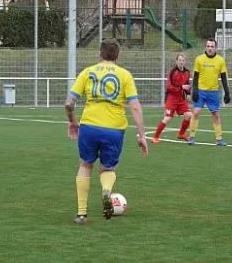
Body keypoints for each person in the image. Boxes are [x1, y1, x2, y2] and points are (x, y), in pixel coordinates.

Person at [65, 38, 148, 225]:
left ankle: (81, 214)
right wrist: (141, 136)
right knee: (108, 168)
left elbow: (69, 102)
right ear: (118, 56)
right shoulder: (125, 75)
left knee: (85, 165)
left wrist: (72, 121)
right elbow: (135, 106)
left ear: (99, 54)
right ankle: (106, 191)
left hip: (89, 126)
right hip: (114, 128)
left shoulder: (88, 72)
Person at [188, 38, 230, 146]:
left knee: (215, 114)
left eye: (212, 46)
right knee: (196, 112)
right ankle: (191, 137)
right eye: (208, 46)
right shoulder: (199, 59)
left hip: (213, 92)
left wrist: (227, 92)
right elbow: (196, 77)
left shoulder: (220, 60)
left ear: (215, 48)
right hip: (201, 91)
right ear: (205, 47)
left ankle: (219, 139)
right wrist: (195, 91)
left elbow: (224, 77)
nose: (210, 48)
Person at [152, 53, 192, 143]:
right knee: (167, 118)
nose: (181, 62)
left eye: (183, 60)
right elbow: (170, 87)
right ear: (176, 61)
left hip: (181, 99)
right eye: (179, 60)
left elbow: (187, 84)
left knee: (189, 115)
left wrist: (188, 93)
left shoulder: (187, 72)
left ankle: (181, 134)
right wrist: (182, 87)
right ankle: (155, 137)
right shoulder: (173, 72)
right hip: (172, 98)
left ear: (185, 62)